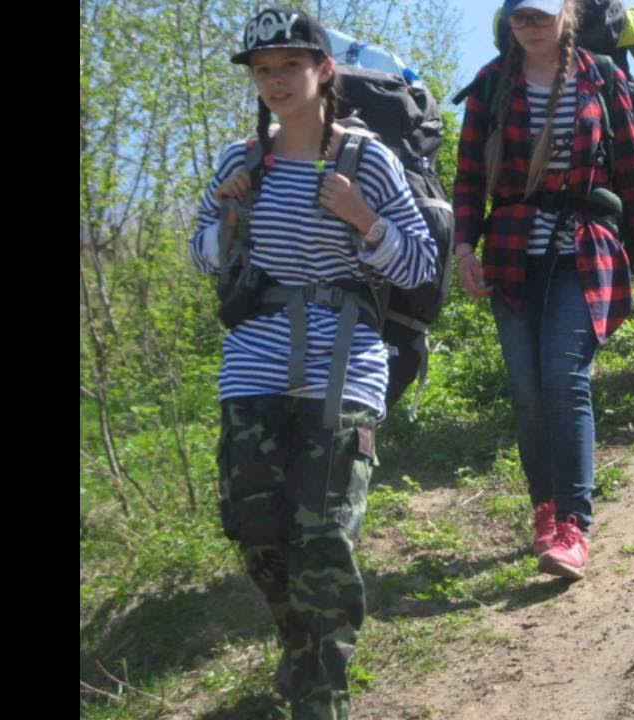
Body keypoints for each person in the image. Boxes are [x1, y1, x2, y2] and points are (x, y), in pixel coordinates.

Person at [189, 8, 436, 717]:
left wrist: (366, 219)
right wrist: (227, 226)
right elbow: (202, 251)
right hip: (253, 363)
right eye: (263, 70)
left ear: (322, 70)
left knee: (324, 532)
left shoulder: (365, 159)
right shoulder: (242, 161)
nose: (274, 81)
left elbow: (420, 262)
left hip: (344, 362)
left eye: (288, 66)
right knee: (254, 526)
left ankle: (323, 695)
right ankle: (301, 650)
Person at [453, 0, 634, 579]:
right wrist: (463, 247)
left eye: (542, 13)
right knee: (527, 391)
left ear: (568, 14)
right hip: (510, 250)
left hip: (585, 246)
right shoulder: (492, 85)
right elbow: (470, 175)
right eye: (520, 13)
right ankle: (544, 509)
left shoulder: (602, 79)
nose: (530, 23)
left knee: (565, 380)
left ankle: (574, 524)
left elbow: (632, 173)